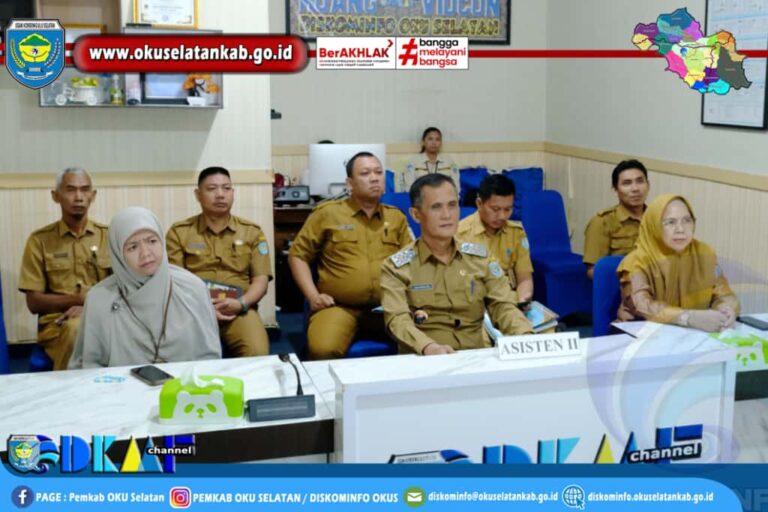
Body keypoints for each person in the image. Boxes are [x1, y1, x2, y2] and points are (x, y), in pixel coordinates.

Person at [381, 174, 532, 356]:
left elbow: (502, 306)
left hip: (475, 357)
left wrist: (525, 336)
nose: (447, 215)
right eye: (436, 207)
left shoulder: (479, 258)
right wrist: (428, 347)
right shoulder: (396, 267)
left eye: (452, 205)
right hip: (424, 358)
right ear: (416, 214)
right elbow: (397, 320)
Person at [288, 152, 412, 359]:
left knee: (428, 336)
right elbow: (297, 256)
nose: (374, 178)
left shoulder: (396, 217)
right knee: (323, 349)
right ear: (349, 183)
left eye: (378, 172)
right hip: (340, 306)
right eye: (365, 173)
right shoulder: (327, 213)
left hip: (388, 306)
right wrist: (313, 296)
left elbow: (410, 260)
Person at [69, 207, 221, 368]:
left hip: (187, 382)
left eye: (152, 241)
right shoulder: (99, 299)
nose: (145, 253)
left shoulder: (192, 288)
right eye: (132, 247)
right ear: (118, 253)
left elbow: (210, 359)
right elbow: (90, 366)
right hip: (119, 383)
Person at [166, 167, 272, 357]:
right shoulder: (179, 232)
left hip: (238, 308)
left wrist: (241, 304)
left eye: (226, 188)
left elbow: (261, 281)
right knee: (177, 355)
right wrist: (203, 309)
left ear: (233, 193)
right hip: (192, 311)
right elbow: (174, 282)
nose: (220, 194)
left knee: (257, 352)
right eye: (212, 188)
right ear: (198, 195)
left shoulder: (252, 232)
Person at [18, 167, 111, 370]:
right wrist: (77, 300)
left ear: (93, 196)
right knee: (76, 329)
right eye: (70, 190)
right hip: (57, 324)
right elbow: (33, 302)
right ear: (56, 196)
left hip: (106, 317)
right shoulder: (40, 241)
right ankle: (69, 388)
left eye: (85, 190)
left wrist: (89, 306)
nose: (78, 197)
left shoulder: (109, 236)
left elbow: (125, 288)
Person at [617, 194, 740, 332]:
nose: (680, 229)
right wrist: (686, 317)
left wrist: (726, 309)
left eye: (687, 220)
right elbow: (642, 306)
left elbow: (725, 294)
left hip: (692, 334)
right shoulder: (636, 262)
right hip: (638, 335)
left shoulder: (705, 254)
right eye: (670, 222)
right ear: (654, 225)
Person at [457, 174, 533, 303]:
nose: (502, 216)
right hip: (474, 302)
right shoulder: (460, 234)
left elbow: (524, 277)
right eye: (495, 209)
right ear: (479, 203)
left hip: (509, 300)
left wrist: (522, 300)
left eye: (507, 209)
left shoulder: (516, 233)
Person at [583, 159, 650, 279]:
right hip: (621, 286)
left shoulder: (658, 219)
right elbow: (593, 271)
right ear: (615, 190)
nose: (635, 189)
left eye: (640, 181)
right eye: (627, 183)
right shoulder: (602, 222)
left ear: (648, 186)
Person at [400, 127, 460, 193]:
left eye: (437, 139)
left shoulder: (448, 161)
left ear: (441, 143)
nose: (434, 143)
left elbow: (456, 186)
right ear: (423, 142)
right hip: (421, 197)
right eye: (430, 139)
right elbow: (409, 187)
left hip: (444, 197)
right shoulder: (413, 162)